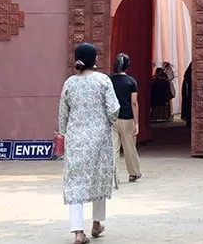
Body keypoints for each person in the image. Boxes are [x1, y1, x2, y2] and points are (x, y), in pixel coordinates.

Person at [58, 43, 120, 243]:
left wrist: (64, 132)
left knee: (75, 183)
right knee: (98, 178)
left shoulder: (69, 83)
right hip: (99, 138)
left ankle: (77, 231)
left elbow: (62, 114)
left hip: (76, 138)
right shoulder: (103, 80)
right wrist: (107, 122)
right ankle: (96, 223)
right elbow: (113, 109)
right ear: (95, 60)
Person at [110, 53, 142, 183]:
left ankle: (112, 175)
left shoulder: (109, 80)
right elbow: (134, 102)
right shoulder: (131, 81)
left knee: (113, 147)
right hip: (127, 117)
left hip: (112, 118)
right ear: (127, 66)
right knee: (129, 147)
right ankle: (133, 173)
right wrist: (137, 122)